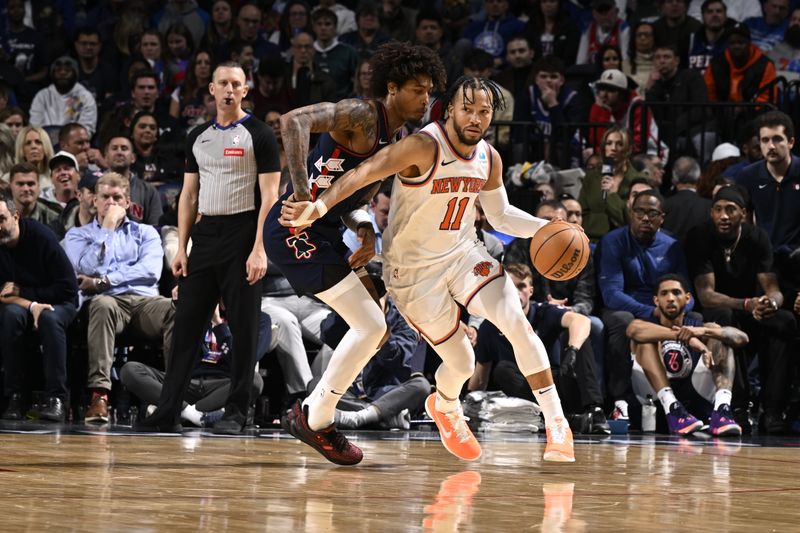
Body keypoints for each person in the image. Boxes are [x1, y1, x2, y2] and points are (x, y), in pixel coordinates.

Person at [280, 76, 576, 463]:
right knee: (462, 362)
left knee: (514, 320)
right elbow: (362, 174)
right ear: (450, 108)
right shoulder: (422, 145)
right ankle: (446, 406)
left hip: (463, 253)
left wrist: (551, 230)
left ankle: (557, 423)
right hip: (412, 272)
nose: (475, 118)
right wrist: (317, 207)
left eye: (484, 112)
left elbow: (501, 216)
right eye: (467, 108)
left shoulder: (489, 157)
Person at [264, 42, 447, 465]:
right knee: (369, 324)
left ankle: (315, 413)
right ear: (392, 87)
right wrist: (303, 192)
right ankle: (314, 416)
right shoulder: (363, 115)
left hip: (327, 231)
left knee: (375, 326)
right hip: (294, 230)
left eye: (429, 91)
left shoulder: (399, 138)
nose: (425, 98)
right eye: (417, 90)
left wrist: (365, 230)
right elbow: (292, 121)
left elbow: (356, 197)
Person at [139, 61, 281, 434]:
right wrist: (182, 248)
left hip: (244, 232)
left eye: (237, 84)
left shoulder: (260, 134)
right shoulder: (198, 136)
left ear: (245, 90)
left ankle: (237, 412)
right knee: (186, 326)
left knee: (245, 329)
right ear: (213, 90)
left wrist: (260, 249)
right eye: (224, 84)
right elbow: (188, 196)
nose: (230, 90)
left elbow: (271, 198)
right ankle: (167, 410)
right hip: (205, 236)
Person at [64, 172, 176, 424]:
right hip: (107, 305)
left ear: (128, 202)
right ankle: (100, 396)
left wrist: (104, 281)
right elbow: (90, 268)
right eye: (105, 197)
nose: (111, 203)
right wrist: (107, 229)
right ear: (94, 201)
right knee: (103, 305)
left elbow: (149, 272)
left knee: (176, 309)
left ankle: (173, 395)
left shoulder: (146, 232)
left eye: (117, 198)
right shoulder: (77, 236)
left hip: (144, 302)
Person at [687, 185, 798, 434]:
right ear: (711, 213)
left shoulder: (756, 237)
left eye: (730, 210)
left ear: (743, 214)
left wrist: (771, 304)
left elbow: (773, 288)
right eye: (718, 210)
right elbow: (707, 296)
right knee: (724, 319)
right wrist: (748, 304)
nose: (724, 216)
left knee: (785, 320)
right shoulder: (700, 236)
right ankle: (737, 406)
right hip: (720, 312)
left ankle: (773, 409)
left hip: (751, 311)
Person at [469, 263, 608, 435]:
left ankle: (595, 411)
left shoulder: (544, 312)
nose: (517, 292)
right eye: (511, 287)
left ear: (531, 291)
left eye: (522, 286)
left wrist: (572, 351)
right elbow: (480, 378)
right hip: (528, 395)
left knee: (580, 342)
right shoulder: (489, 326)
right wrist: (464, 404)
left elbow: (581, 321)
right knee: (502, 370)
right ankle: (561, 419)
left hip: (558, 383)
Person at [596, 189, 693, 420]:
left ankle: (691, 401)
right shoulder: (613, 241)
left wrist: (680, 312)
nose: (645, 218)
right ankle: (620, 401)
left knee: (695, 319)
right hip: (626, 308)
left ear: (662, 217)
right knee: (622, 321)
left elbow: (687, 291)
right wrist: (652, 311)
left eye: (652, 213)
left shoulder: (672, 245)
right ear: (631, 213)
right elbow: (611, 294)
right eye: (640, 211)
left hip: (665, 308)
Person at [627, 274, 748, 435]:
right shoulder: (646, 324)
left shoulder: (697, 327)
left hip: (694, 399)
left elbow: (742, 338)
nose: (670, 298)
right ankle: (672, 406)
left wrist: (705, 331)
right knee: (645, 340)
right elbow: (634, 330)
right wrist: (688, 339)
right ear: (656, 301)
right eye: (664, 294)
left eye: (676, 292)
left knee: (720, 337)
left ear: (688, 298)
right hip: (654, 403)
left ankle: (722, 410)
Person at [0, 193, 78, 422]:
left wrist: (25, 294)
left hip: (61, 301)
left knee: (48, 318)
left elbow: (68, 288)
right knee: (11, 315)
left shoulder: (41, 237)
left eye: (1, 219)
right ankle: (14, 395)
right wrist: (31, 304)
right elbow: (2, 293)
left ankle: (57, 399)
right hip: (22, 304)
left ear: (16, 216)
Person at [579, 126, 645, 242]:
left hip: (627, 241)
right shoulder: (592, 177)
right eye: (609, 143)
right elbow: (582, 212)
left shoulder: (638, 179)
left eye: (619, 144)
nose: (613, 148)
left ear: (628, 149)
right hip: (593, 240)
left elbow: (634, 218)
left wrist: (613, 195)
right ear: (604, 147)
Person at [705, 23, 777, 104]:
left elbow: (766, 98)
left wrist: (746, 111)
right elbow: (709, 95)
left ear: (749, 43)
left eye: (741, 42)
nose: (736, 46)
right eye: (732, 43)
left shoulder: (765, 65)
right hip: (721, 113)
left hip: (755, 113)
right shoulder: (716, 64)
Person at [28, 56, 98, 136]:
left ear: (75, 74)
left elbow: (87, 130)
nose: (62, 73)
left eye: (67, 70)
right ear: (52, 74)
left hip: (75, 145)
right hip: (45, 144)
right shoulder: (42, 96)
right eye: (58, 70)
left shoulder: (86, 97)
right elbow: (35, 126)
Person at [662, 156, 711, 244]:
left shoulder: (664, 204)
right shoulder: (709, 206)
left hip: (669, 255)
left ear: (674, 180)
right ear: (699, 178)